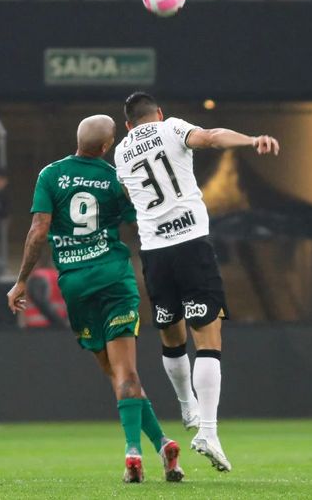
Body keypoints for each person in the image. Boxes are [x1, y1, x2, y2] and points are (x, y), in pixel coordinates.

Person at [7, 115, 183, 484]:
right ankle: (157, 445)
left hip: (76, 286)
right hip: (115, 279)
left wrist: (21, 280)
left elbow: (38, 230)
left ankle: (138, 450)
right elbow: (142, 224)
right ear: (106, 147)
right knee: (124, 372)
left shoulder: (50, 175)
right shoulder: (116, 178)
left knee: (116, 372)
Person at [115, 92, 279, 472]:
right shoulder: (171, 128)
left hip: (154, 253)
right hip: (191, 245)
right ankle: (207, 429)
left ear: (128, 125)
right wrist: (251, 140)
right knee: (208, 336)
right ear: (158, 113)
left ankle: (187, 408)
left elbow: (130, 196)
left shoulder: (122, 153)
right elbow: (210, 135)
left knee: (171, 336)